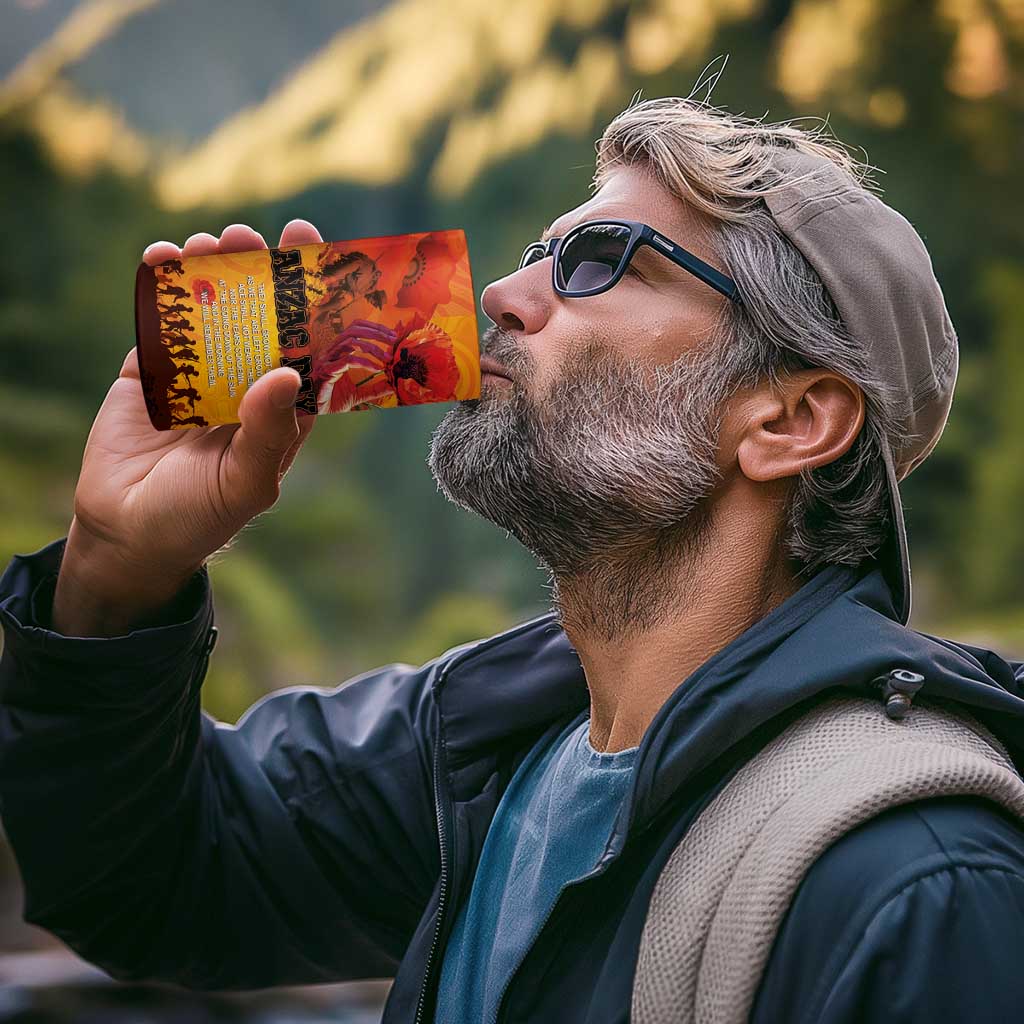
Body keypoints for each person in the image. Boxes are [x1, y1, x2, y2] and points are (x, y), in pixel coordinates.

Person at [2, 95, 1024, 1024]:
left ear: (790, 421)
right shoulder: (482, 746)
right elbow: (150, 879)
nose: (500, 292)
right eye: (541, 252)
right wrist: (116, 573)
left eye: (601, 261)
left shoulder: (919, 887)